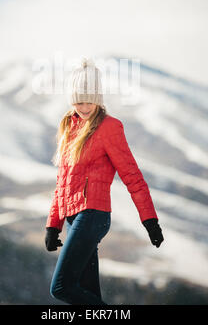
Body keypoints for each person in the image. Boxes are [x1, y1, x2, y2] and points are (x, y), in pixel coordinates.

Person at [44, 57, 164, 305]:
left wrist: (150, 221)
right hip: (72, 219)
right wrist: (52, 225)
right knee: (88, 294)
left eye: (89, 100)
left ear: (98, 99)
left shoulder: (109, 127)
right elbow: (62, 182)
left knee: (61, 287)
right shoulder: (69, 127)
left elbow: (132, 176)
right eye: (78, 101)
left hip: (93, 215)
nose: (84, 107)